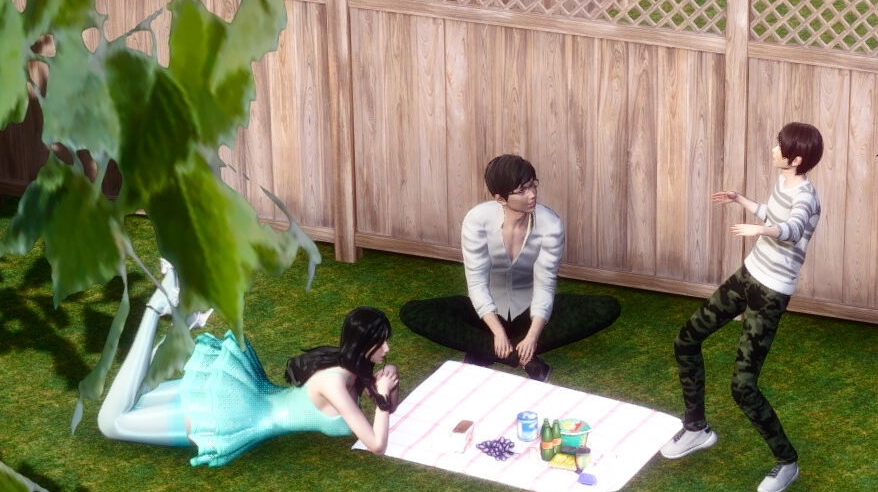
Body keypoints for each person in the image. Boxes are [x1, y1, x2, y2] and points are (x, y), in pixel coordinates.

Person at [661, 122, 824, 492]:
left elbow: (791, 229)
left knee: (743, 386)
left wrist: (759, 231)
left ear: (796, 159)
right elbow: (773, 213)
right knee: (686, 340)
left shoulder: (807, 197)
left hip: (771, 294)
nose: (773, 149)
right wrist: (742, 201)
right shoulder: (784, 182)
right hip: (748, 276)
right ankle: (696, 428)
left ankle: (787, 461)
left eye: (779, 146)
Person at [401, 153, 620, 382]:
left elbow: (545, 285)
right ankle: (517, 356)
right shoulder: (477, 220)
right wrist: (497, 332)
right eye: (522, 190)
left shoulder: (550, 224)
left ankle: (490, 351)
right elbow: (477, 283)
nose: (532, 194)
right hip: (485, 315)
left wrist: (533, 336)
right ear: (500, 198)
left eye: (533, 185)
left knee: (605, 307)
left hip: (531, 314)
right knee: (413, 312)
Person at [97, 301, 401, 466]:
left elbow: (383, 409)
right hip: (233, 415)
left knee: (139, 396)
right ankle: (154, 310)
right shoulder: (334, 383)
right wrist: (384, 397)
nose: (387, 349)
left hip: (244, 398)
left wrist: (387, 386)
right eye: (381, 343)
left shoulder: (348, 368)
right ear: (364, 345)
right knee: (112, 424)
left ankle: (174, 321)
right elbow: (376, 445)